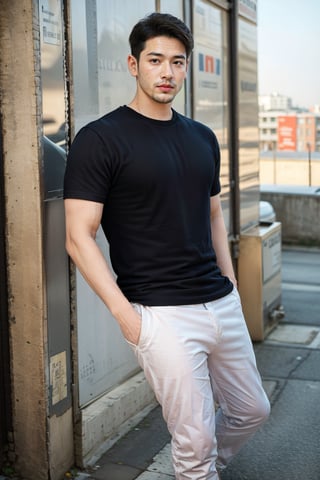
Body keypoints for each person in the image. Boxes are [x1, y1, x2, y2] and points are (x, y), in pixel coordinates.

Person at [63, 12, 270, 480]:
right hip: (162, 314)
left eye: (177, 62)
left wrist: (231, 281)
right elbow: (79, 237)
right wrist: (129, 321)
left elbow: (213, 214)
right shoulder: (100, 139)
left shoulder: (200, 137)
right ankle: (196, 469)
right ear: (134, 64)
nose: (167, 72)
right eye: (156, 60)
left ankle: (200, 468)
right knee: (193, 440)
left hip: (221, 301)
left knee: (253, 409)